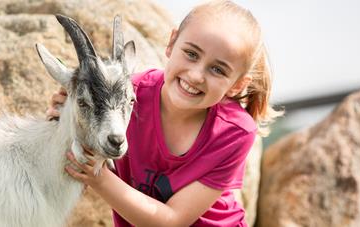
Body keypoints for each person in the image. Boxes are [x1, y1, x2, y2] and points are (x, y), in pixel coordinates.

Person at [47, 0, 281, 226]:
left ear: (237, 85)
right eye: (191, 54)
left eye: (218, 69)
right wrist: (67, 111)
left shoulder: (234, 131)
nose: (196, 75)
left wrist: (98, 177)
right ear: (171, 43)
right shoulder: (126, 97)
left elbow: (172, 220)